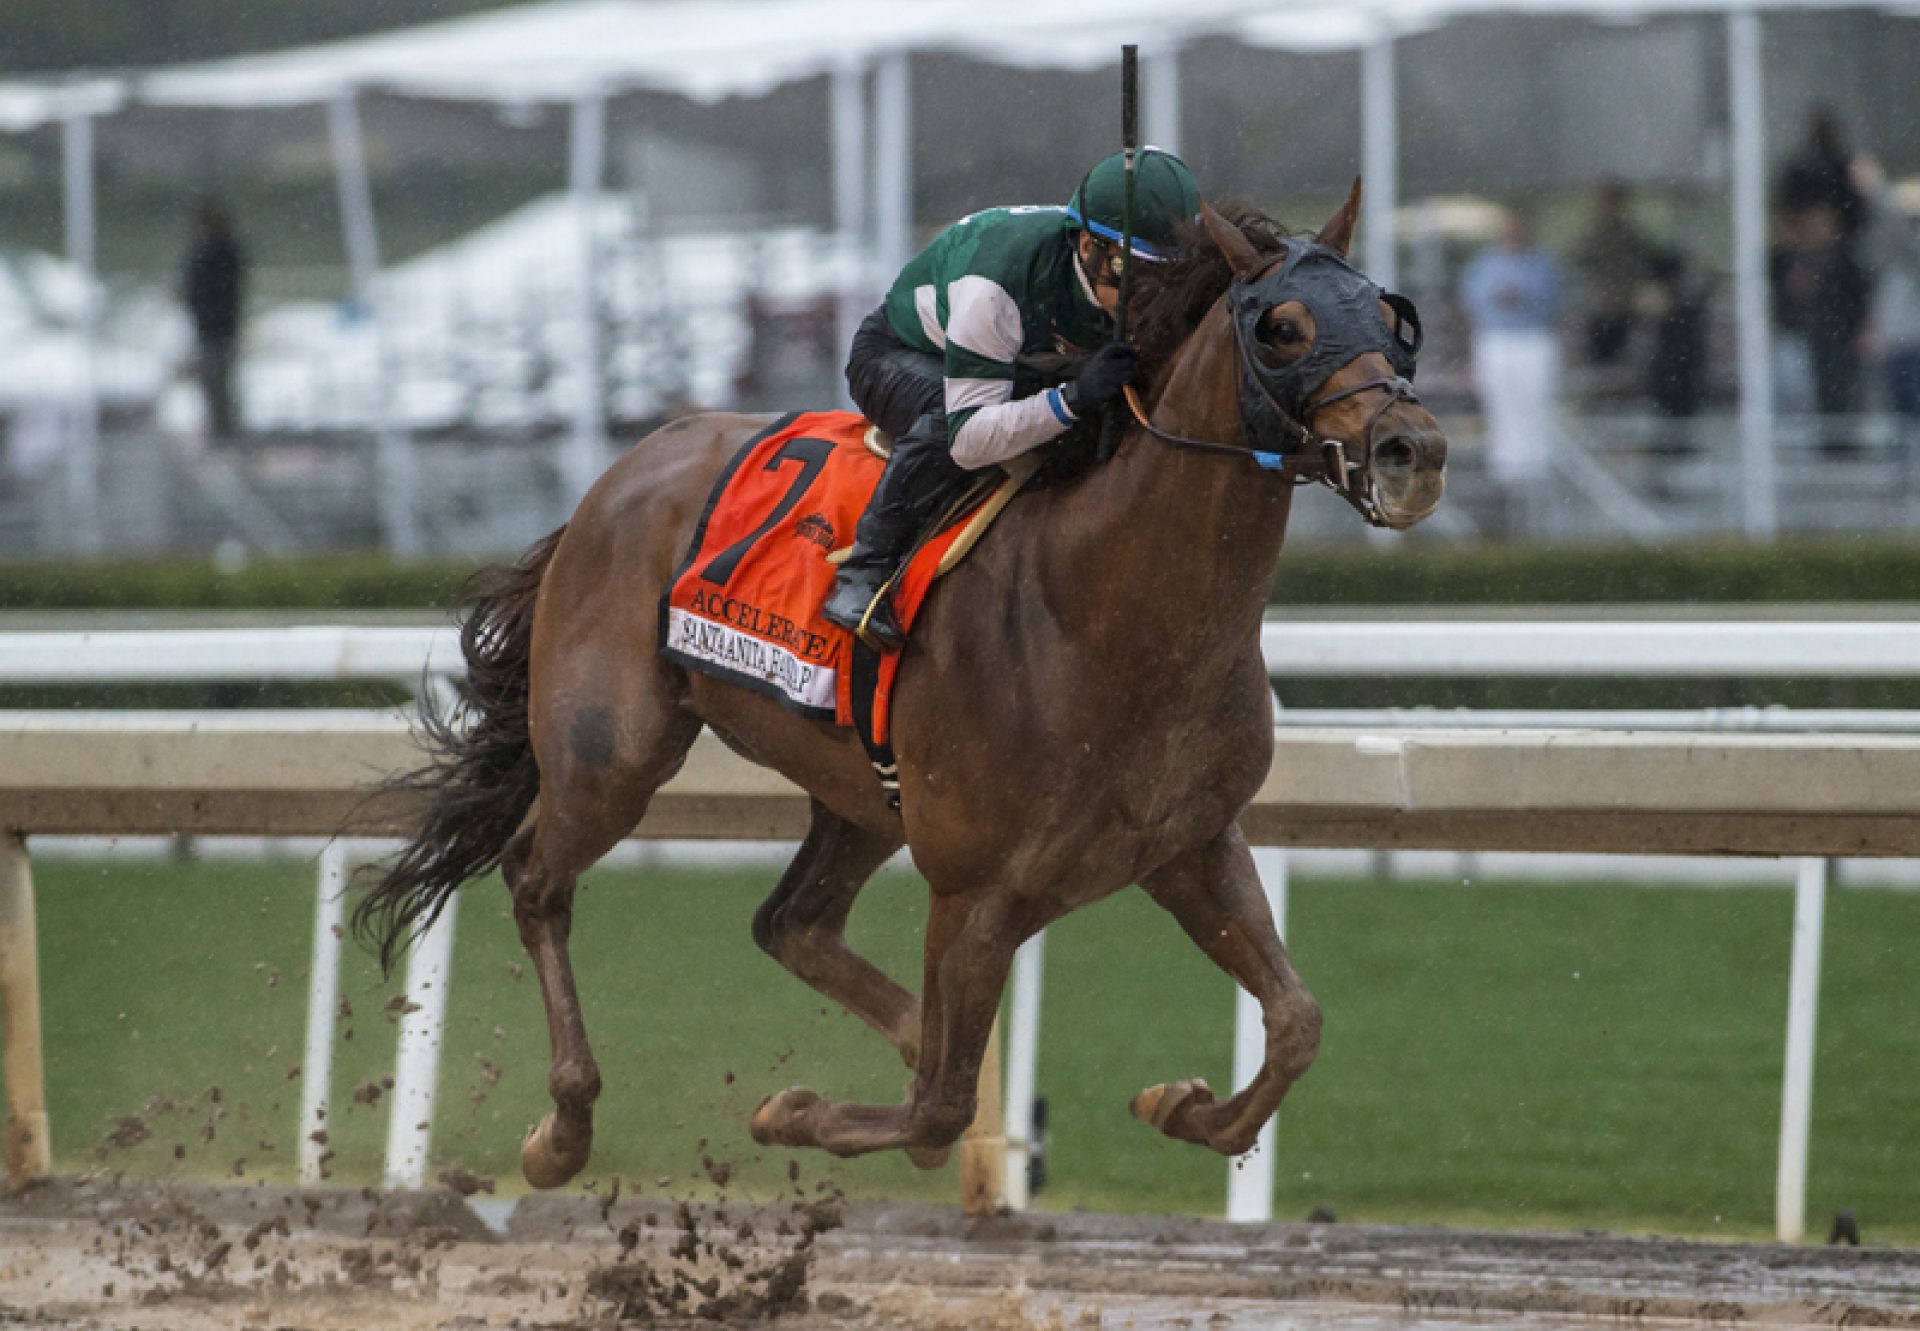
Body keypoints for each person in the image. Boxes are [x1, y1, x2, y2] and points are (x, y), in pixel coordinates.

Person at [821, 148, 1202, 646]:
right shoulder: (994, 288)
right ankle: (864, 574)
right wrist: (1073, 397)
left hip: (1023, 359)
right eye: (1137, 271)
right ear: (1087, 246)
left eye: (1168, 274)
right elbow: (970, 439)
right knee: (948, 419)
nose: (1154, 293)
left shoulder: (1106, 270)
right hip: (897, 356)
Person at [1459, 208, 1563, 529]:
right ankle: (1506, 468)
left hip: (1531, 338)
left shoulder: (1543, 264)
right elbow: (1473, 301)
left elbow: (1552, 300)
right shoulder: (1485, 265)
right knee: (1501, 405)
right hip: (1496, 340)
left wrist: (1522, 297)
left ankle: (1535, 466)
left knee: (1533, 405)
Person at [181, 198, 246, 441]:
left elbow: (214, 289)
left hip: (217, 326)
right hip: (210, 326)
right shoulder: (209, 251)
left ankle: (224, 432)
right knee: (214, 382)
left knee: (219, 381)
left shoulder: (220, 252)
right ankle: (220, 429)